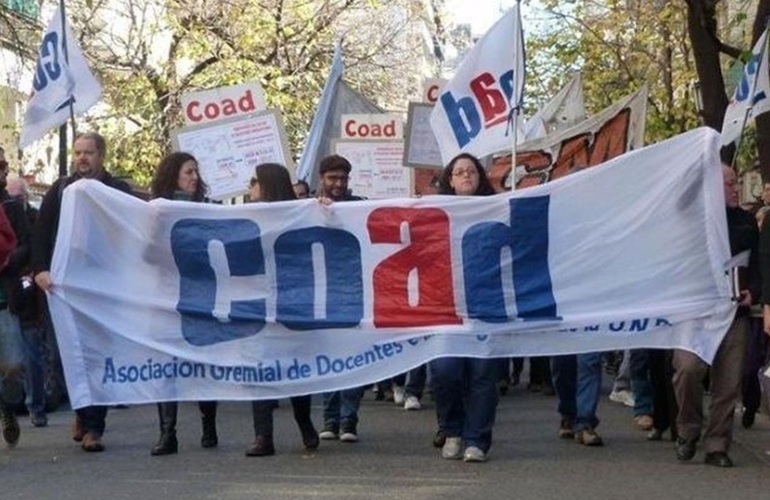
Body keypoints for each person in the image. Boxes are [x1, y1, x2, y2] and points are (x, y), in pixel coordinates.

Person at [32, 132, 132, 452]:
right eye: (78, 152)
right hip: (63, 286)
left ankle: (94, 427)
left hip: (102, 286)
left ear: (101, 156)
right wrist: (41, 270)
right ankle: (80, 407)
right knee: (65, 354)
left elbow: (130, 233)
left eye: (88, 152)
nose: (82, 158)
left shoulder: (117, 191)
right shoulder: (60, 190)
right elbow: (40, 234)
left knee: (97, 355)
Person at [673, 164, 758, 468]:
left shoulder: (746, 222)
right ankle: (688, 429)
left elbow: (758, 263)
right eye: (730, 184)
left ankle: (717, 444)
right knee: (687, 371)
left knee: (728, 383)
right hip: (696, 313)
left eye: (736, 183)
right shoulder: (690, 220)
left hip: (733, 313)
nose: (737, 189)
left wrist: (754, 291)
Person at [430, 152, 504, 463]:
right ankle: (452, 431)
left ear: (479, 176)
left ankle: (477, 439)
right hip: (444, 307)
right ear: (450, 178)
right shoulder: (432, 212)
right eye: (459, 171)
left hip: (485, 304)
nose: (465, 176)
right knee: (444, 372)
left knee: (483, 374)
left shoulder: (497, 209)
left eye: (471, 171)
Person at [245, 162, 319, 457]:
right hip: (258, 303)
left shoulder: (297, 216)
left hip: (292, 303)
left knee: (296, 367)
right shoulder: (244, 216)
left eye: (255, 181)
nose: (250, 187)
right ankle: (263, 436)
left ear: (267, 184)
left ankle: (303, 420)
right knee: (259, 367)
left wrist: (324, 207)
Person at [148, 152, 219, 456]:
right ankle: (168, 433)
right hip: (166, 297)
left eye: (196, 172)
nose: (194, 177)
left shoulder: (208, 211)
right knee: (166, 365)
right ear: (172, 175)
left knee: (203, 362)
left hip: (200, 296)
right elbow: (147, 253)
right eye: (188, 172)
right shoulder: (156, 213)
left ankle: (209, 423)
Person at [316, 154, 367, 443]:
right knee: (329, 356)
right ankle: (329, 419)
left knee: (352, 357)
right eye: (333, 178)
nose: (338, 184)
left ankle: (349, 420)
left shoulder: (360, 207)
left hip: (354, 293)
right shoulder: (307, 208)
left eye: (343, 179)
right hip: (322, 294)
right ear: (321, 179)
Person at [6, 177, 48, 428]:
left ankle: (35, 405)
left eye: (18, 198)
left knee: (31, 355)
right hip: (10, 295)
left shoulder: (32, 219)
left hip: (27, 296)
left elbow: (35, 250)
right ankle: (10, 405)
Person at [0, 148, 30, 448]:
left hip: (4, 299)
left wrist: (9, 260)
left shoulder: (10, 205)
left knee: (14, 365)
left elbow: (26, 243)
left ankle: (7, 407)